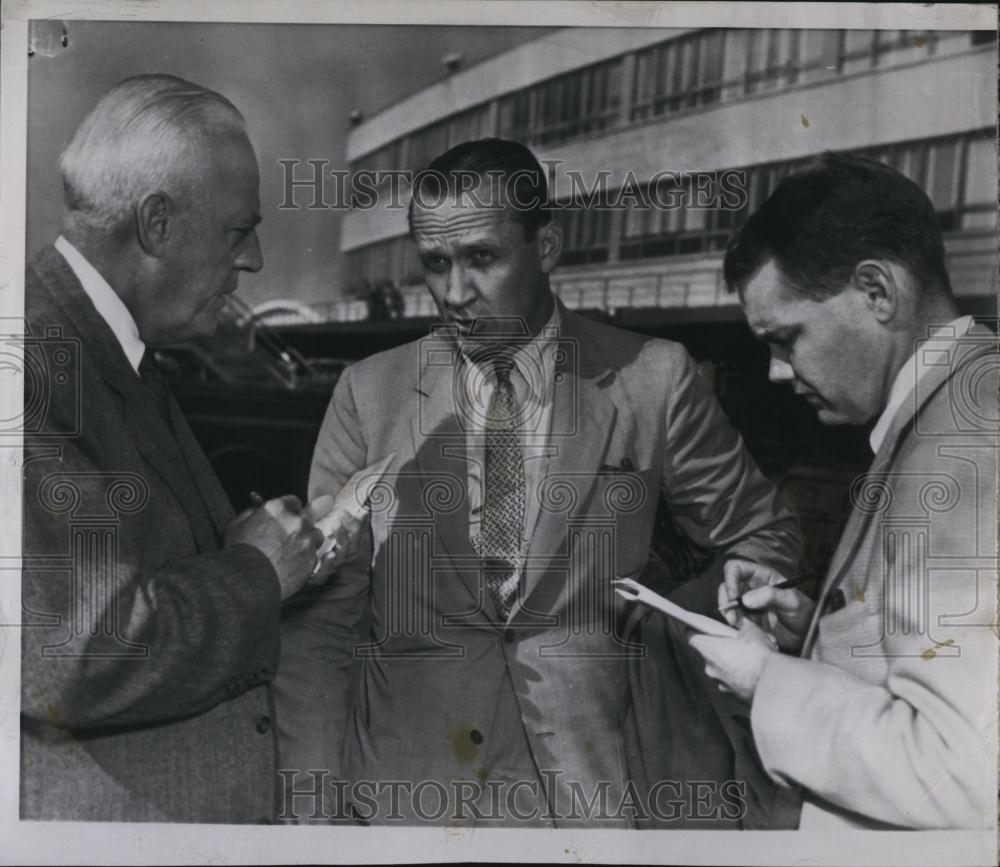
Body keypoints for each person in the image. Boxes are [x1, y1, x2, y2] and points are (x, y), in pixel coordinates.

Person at [274, 138, 799, 826]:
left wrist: (751, 576)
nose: (455, 293)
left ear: (546, 246)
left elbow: (761, 531)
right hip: (405, 796)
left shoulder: (654, 377)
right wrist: (312, 810)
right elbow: (321, 627)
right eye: (436, 263)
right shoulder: (367, 393)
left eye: (482, 258)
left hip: (586, 792)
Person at [21, 74, 356, 823]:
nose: (259, 261)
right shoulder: (33, 364)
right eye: (239, 231)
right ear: (157, 225)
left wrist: (262, 553)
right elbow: (78, 657)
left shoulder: (113, 351)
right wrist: (259, 568)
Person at [689, 152, 998, 830]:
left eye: (786, 337)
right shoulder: (952, 413)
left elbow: (958, 769)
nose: (775, 371)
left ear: (878, 292)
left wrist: (768, 682)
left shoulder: (961, 448)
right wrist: (832, 631)